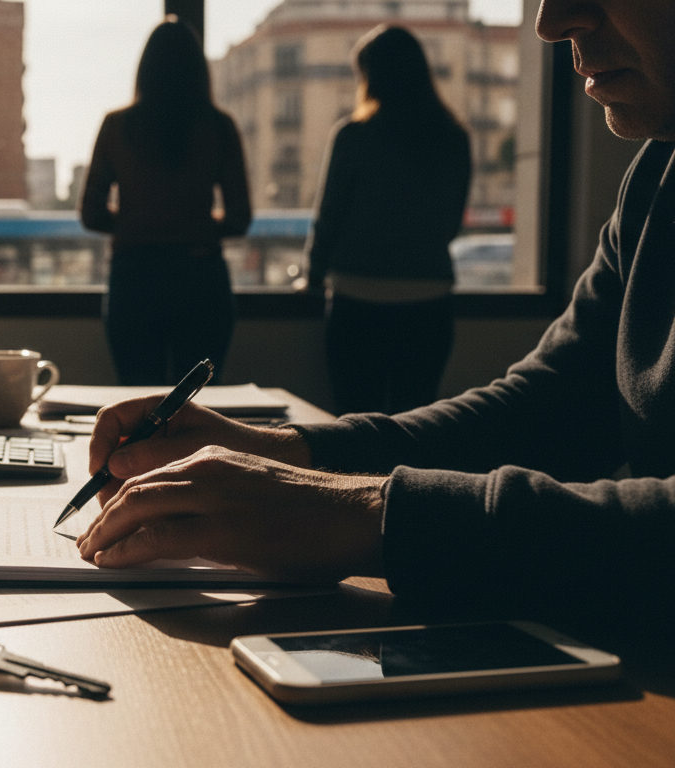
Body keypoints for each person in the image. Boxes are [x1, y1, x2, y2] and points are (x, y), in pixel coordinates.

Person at [76, 0, 675, 625]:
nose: (550, 22)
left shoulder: (347, 134)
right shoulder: (655, 172)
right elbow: (551, 411)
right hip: (409, 298)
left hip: (304, 293)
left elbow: (327, 218)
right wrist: (285, 451)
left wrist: (360, 513)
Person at [304, 25, 471, 415]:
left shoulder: (353, 135)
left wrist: (313, 278)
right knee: (414, 424)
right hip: (428, 299)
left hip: (357, 298)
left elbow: (328, 217)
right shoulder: (452, 137)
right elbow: (451, 224)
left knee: (356, 424)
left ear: (369, 76)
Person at [80, 17, 251, 386]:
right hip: (201, 278)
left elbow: (91, 213)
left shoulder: (117, 126)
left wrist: (136, 221)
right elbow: (239, 218)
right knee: (199, 408)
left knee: (140, 402)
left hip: (135, 278)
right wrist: (194, 225)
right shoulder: (219, 126)